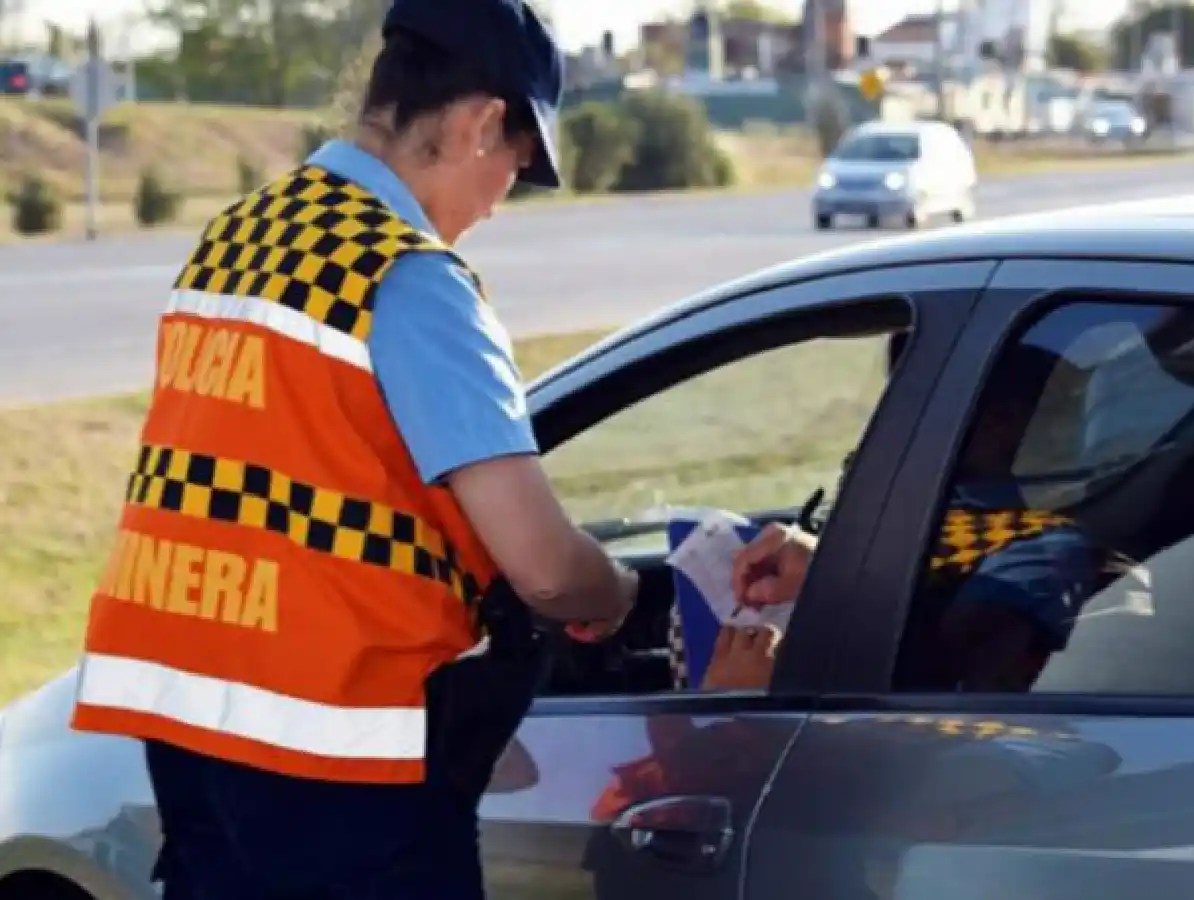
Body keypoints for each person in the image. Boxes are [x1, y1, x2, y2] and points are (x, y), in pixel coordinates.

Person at [69, 3, 636, 898]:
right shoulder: (405, 279)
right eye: (513, 171)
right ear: (481, 120)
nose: (494, 207)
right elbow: (546, 572)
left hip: (194, 734)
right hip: (339, 764)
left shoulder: (238, 235)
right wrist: (622, 592)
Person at [705, 335, 1117, 693]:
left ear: (1000, 424)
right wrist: (829, 562)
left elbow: (962, 693)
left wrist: (741, 708)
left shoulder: (1038, 548)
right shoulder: (915, 518)